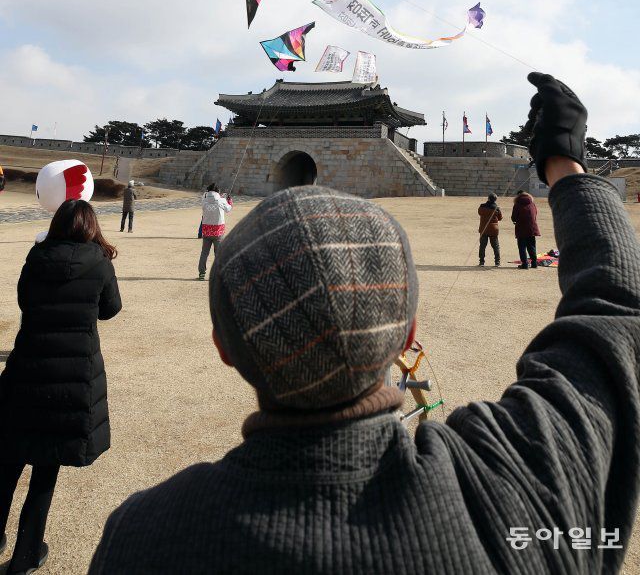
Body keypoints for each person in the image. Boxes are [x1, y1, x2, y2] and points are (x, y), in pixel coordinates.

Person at [90, 72, 640, 575]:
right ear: (408, 335)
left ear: (223, 346)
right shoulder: (510, 496)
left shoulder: (144, 536)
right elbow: (614, 318)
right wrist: (565, 165)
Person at [0, 200, 121, 574]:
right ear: (90, 226)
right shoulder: (99, 262)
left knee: (7, 463)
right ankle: (26, 555)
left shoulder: (36, 257)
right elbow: (111, 308)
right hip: (71, 377)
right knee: (45, 469)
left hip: (27, 368)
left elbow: (24, 300)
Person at [198, 183, 232, 281]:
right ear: (218, 191)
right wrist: (229, 201)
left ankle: (201, 273)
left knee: (204, 253)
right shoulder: (221, 200)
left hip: (206, 230)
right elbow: (228, 209)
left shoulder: (204, 200)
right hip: (218, 230)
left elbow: (206, 196)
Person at [511, 188, 541, 268]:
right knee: (532, 246)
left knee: (522, 247)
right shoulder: (532, 203)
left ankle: (525, 264)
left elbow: (514, 217)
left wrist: (515, 221)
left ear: (518, 196)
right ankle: (534, 263)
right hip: (532, 228)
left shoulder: (517, 204)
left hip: (521, 228)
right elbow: (535, 213)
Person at [477, 192, 502, 266]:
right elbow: (500, 218)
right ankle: (497, 262)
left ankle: (481, 262)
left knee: (482, 246)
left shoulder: (482, 207)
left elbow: (479, 213)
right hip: (493, 229)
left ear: (488, 198)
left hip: (484, 229)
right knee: (495, 246)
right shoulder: (497, 208)